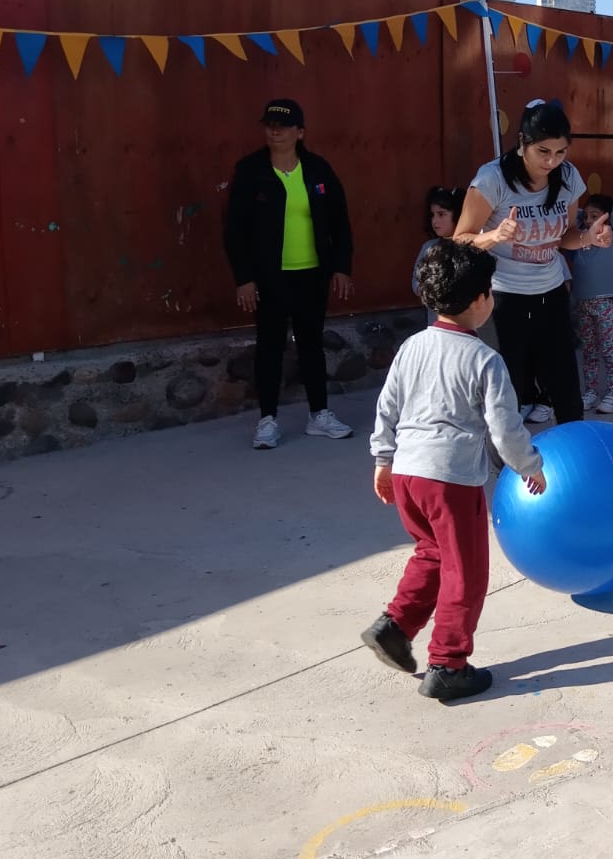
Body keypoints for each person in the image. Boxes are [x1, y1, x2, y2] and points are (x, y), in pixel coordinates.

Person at [362, 240, 545, 702]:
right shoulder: (485, 359)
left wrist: (383, 459)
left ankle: (396, 626)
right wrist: (530, 467)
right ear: (481, 300)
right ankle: (448, 663)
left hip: (407, 473)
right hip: (450, 480)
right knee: (466, 571)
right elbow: (505, 430)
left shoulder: (413, 346)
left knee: (432, 553)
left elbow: (388, 406)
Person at [453, 100, 612, 426]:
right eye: (543, 151)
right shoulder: (492, 179)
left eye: (560, 152)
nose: (552, 161)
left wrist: (588, 239)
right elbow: (459, 239)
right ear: (522, 143)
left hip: (550, 291)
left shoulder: (568, 177)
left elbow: (566, 235)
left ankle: (575, 466)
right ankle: (503, 469)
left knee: (567, 391)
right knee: (505, 392)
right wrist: (495, 236)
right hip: (502, 296)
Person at [223, 98, 355, 450]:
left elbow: (340, 222)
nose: (275, 131)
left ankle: (319, 414)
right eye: (270, 125)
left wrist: (341, 267)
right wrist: (244, 278)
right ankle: (267, 420)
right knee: (270, 347)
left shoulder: (317, 170)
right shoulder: (251, 172)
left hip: (312, 274)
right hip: (269, 278)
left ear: (300, 132)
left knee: (312, 345)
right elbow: (234, 229)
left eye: (283, 126)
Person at [566, 194, 613, 416]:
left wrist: (603, 217)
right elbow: (576, 217)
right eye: (587, 216)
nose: (589, 220)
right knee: (589, 351)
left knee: (609, 350)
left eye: (595, 216)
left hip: (605, 301)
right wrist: (583, 216)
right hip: (583, 302)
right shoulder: (580, 238)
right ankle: (590, 392)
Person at [414, 186, 463, 324]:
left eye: (441, 214)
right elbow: (416, 280)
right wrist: (430, 289)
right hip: (437, 322)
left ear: (457, 215)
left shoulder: (470, 247)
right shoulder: (428, 248)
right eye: (432, 215)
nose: (435, 221)